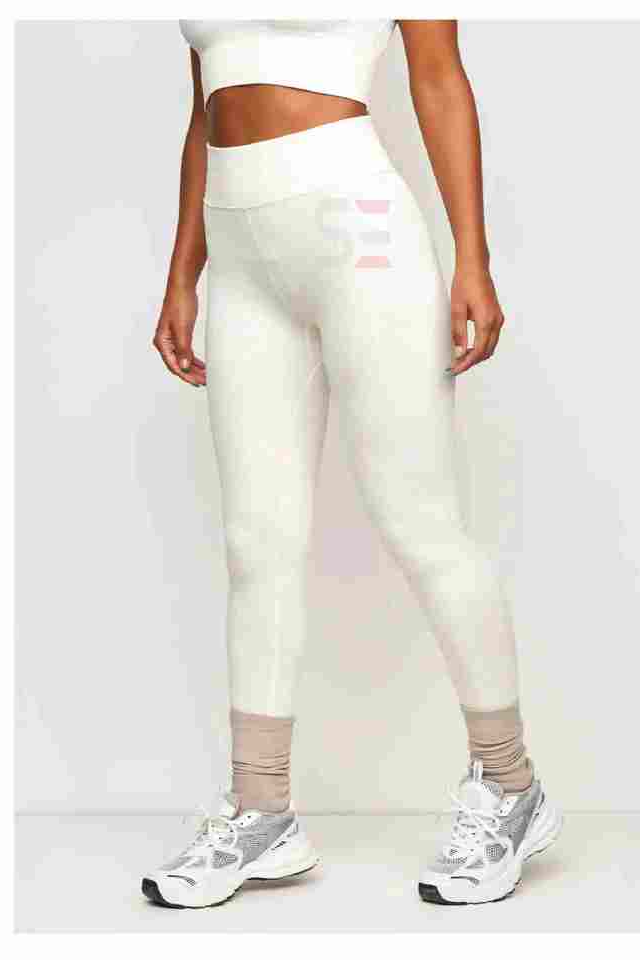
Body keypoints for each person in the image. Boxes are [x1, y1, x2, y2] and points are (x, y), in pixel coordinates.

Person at [142, 19, 561, 909]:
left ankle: (510, 783)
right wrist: (183, 273)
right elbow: (203, 109)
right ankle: (262, 809)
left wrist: (472, 259)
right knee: (257, 543)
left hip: (358, 227)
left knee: (420, 523)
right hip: (239, 253)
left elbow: (438, 79)